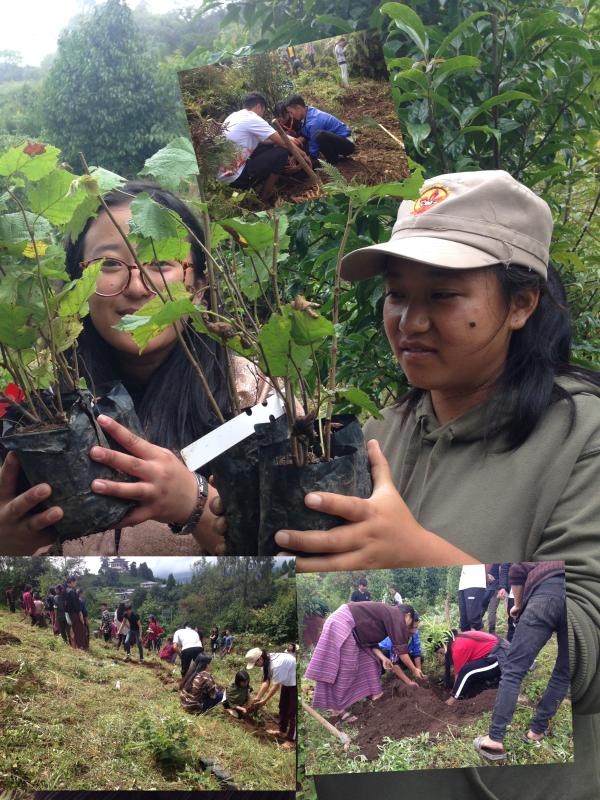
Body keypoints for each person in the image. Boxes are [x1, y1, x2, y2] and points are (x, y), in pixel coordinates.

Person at [287, 170, 600, 800]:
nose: (410, 320)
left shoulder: (580, 436)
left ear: (521, 302)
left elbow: (589, 649)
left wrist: (413, 550)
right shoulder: (382, 430)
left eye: (444, 295)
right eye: (398, 294)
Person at [0, 180, 273, 557]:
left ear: (198, 286)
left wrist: (192, 503)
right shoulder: (35, 404)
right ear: (73, 284)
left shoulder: (253, 396)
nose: (138, 285)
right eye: (109, 263)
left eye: (160, 262)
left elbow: (287, 555)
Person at [474, 562, 569, 762]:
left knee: (513, 669)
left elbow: (517, 570)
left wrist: (518, 604)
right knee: (563, 673)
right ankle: (536, 731)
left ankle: (495, 739)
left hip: (546, 593)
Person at [305, 602, 423, 719]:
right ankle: (337, 709)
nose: (412, 628)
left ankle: (375, 693)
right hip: (343, 623)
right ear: (407, 615)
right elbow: (402, 652)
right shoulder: (397, 616)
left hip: (356, 632)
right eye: (412, 623)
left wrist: (383, 658)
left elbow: (370, 641)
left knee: (369, 661)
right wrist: (414, 670)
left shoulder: (390, 616)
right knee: (347, 667)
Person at [217, 93, 309, 200]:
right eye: (263, 111)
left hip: (222, 176)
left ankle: (256, 186)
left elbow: (265, 140)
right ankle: (264, 197)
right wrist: (303, 155)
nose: (262, 115)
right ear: (259, 106)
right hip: (235, 177)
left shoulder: (234, 116)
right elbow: (284, 143)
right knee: (282, 153)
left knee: (267, 148)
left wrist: (287, 137)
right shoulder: (252, 118)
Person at [435, 629, 508, 706]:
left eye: (441, 652)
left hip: (501, 657)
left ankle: (453, 699)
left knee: (467, 671)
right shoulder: (457, 639)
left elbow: (459, 674)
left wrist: (453, 692)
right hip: (497, 652)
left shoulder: (458, 648)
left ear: (444, 645)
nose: (442, 654)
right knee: (469, 671)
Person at [246, 647, 297, 748]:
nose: (255, 666)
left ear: (260, 659)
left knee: (293, 712)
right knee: (282, 706)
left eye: (255, 664)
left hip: (295, 683)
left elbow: (275, 686)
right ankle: (282, 731)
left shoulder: (276, 665)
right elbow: (266, 682)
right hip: (287, 682)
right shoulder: (265, 662)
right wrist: (257, 698)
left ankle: (291, 740)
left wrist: (265, 700)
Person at [285, 94, 355, 165]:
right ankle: (333, 159)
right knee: (318, 136)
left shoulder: (314, 120)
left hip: (347, 144)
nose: (291, 116)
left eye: (291, 112)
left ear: (298, 108)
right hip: (338, 141)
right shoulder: (309, 112)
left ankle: (333, 162)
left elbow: (313, 149)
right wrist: (295, 153)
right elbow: (305, 135)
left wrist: (300, 166)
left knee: (319, 135)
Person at [481, 563, 510, 634]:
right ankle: (491, 632)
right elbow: (503, 570)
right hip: (495, 586)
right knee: (491, 611)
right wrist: (502, 586)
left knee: (482, 609)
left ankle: (478, 629)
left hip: (490, 587)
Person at [458, 564, 488, 631]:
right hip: (463, 584)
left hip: (475, 582)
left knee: (474, 620)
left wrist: (485, 575)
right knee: (464, 621)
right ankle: (467, 641)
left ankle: (484, 641)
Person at [65, 576, 87, 650]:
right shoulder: (72, 591)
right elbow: (75, 604)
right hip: (75, 614)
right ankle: (79, 647)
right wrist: (80, 613)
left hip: (68, 614)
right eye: (75, 582)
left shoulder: (65, 591)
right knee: (78, 630)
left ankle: (73, 646)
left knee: (72, 630)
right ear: (71, 582)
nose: (76, 583)